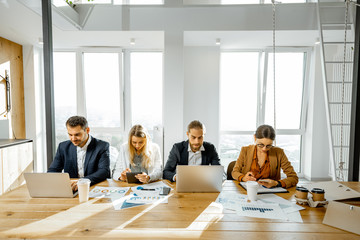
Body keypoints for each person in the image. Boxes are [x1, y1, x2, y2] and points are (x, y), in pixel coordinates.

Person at [48, 116, 110, 190]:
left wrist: (83, 182)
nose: (73, 139)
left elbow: (104, 171)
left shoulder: (102, 146)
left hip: (94, 187)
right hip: (71, 188)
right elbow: (53, 171)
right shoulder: (63, 147)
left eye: (77, 135)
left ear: (87, 130)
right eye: (70, 135)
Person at [232, 124, 298, 188]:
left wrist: (276, 183)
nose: (264, 149)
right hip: (249, 190)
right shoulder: (245, 150)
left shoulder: (279, 153)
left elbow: (293, 177)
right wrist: (243, 178)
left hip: (271, 193)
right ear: (255, 138)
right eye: (260, 145)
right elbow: (234, 172)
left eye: (269, 145)